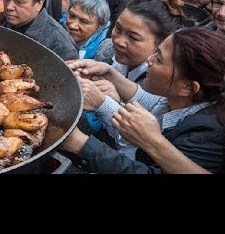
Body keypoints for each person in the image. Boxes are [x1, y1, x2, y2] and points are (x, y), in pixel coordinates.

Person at [61, 27, 225, 174]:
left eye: (159, 59)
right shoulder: (182, 99)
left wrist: (78, 142)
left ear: (187, 88)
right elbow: (151, 101)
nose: (149, 60)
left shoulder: (204, 136)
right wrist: (109, 73)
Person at [0, 0, 78, 61]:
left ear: (39, 3)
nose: (9, 7)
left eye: (19, 1)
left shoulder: (60, 45)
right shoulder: (0, 20)